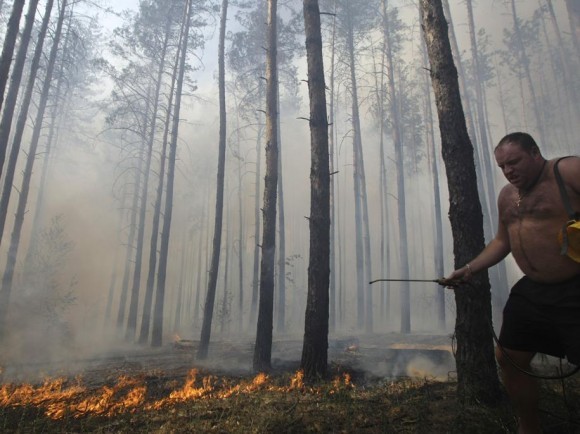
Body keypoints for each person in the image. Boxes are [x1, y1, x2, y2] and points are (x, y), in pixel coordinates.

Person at [446, 132, 580, 434]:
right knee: (509, 357)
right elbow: (502, 241)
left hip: (575, 287)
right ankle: (529, 428)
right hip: (532, 289)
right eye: (502, 166)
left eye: (514, 162)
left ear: (535, 152)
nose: (509, 171)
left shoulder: (567, 171)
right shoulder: (507, 195)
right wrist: (469, 268)